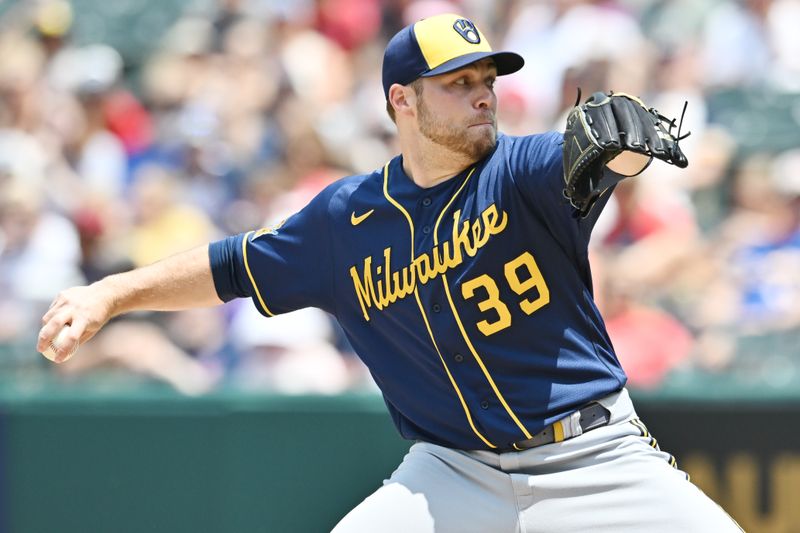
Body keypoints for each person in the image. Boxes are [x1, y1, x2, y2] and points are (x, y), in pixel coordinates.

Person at [38, 13, 742, 533]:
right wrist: (112, 292)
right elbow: (234, 265)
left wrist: (629, 145)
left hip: (592, 456)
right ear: (401, 100)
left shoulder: (521, 170)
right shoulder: (345, 220)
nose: (482, 95)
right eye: (457, 83)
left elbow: (596, 155)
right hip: (454, 473)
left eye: (486, 80)